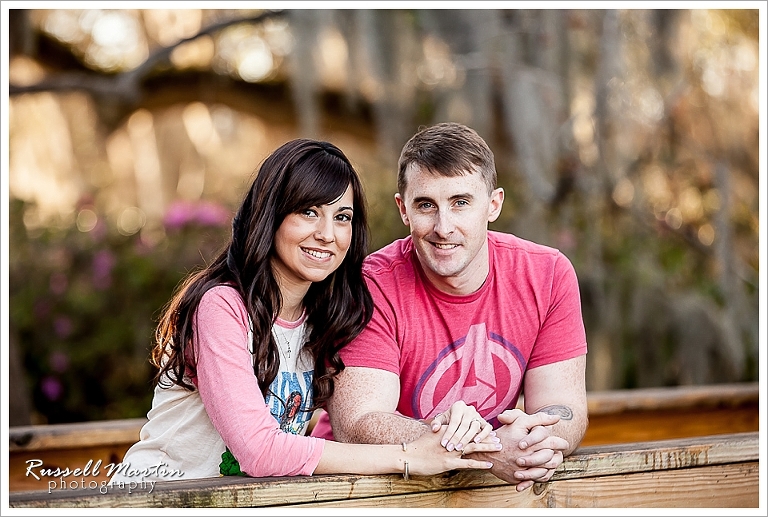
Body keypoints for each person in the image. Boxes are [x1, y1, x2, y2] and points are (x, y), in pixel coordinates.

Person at [110, 138, 501, 485]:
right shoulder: (222, 307)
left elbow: (362, 412)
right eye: (309, 212)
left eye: (342, 217)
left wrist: (462, 431)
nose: (327, 234)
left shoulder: (329, 317)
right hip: (154, 500)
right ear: (272, 214)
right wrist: (408, 457)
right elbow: (260, 451)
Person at [312, 122, 589, 492]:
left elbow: (563, 408)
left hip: (479, 494)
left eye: (460, 203)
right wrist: (485, 450)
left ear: (493, 205)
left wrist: (532, 447)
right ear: (403, 210)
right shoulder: (369, 284)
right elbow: (358, 422)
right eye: (426, 205)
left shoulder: (547, 274)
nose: (444, 227)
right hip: (364, 492)